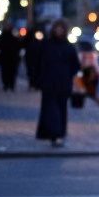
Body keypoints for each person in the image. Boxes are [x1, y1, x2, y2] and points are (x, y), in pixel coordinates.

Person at [35, 19, 81, 147]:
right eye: (57, 28)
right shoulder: (47, 45)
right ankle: (54, 133)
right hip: (49, 83)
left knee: (61, 109)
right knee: (51, 109)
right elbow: (39, 62)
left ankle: (59, 133)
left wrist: (67, 74)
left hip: (63, 84)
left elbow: (76, 65)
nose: (59, 31)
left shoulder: (69, 47)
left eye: (61, 29)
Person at [0, 22, 23, 91]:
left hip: (12, 58)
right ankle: (7, 85)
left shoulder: (13, 37)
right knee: (5, 73)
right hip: (5, 58)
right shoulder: (3, 37)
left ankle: (10, 85)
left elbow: (18, 46)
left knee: (11, 73)